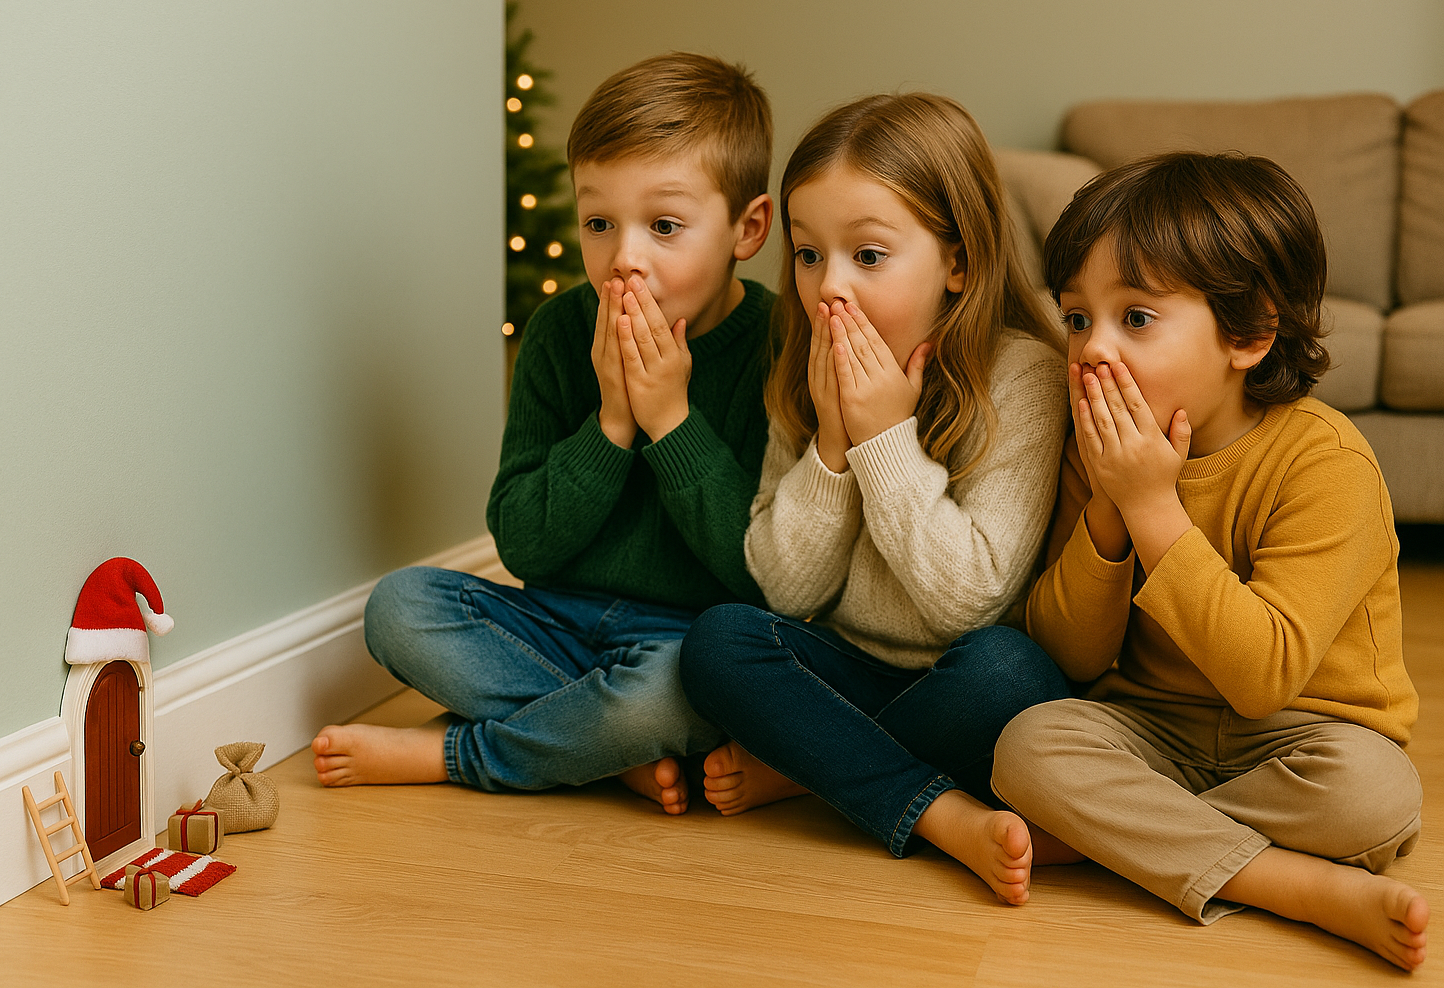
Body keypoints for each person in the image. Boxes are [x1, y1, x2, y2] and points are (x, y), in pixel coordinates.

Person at [991, 152, 1429, 970]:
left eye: (1137, 318)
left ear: (1250, 333)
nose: (1091, 351)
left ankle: (1121, 835)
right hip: (1155, 726)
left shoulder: (1326, 463)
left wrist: (1155, 507)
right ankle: (1296, 884)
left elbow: (1261, 677)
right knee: (1029, 744)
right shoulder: (1099, 450)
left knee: (1374, 794)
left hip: (1302, 737)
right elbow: (1071, 654)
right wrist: (1108, 507)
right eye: (1077, 317)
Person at [312, 52, 775, 815]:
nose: (624, 258)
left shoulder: (780, 346)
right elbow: (523, 545)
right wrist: (614, 422)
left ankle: (463, 755)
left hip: (686, 645)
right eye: (599, 223)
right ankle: (599, 749)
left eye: (664, 226)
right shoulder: (562, 334)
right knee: (398, 607)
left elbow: (760, 573)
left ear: (746, 228)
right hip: (553, 622)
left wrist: (671, 420)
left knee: (668, 699)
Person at [679, 93, 1071, 905]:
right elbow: (786, 590)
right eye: (810, 254)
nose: (832, 290)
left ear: (957, 262)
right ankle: (934, 808)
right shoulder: (801, 363)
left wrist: (886, 440)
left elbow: (969, 604)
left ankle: (809, 766)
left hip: (957, 676)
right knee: (719, 640)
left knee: (1015, 674)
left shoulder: (1022, 377)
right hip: (841, 668)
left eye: (868, 255)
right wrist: (829, 442)